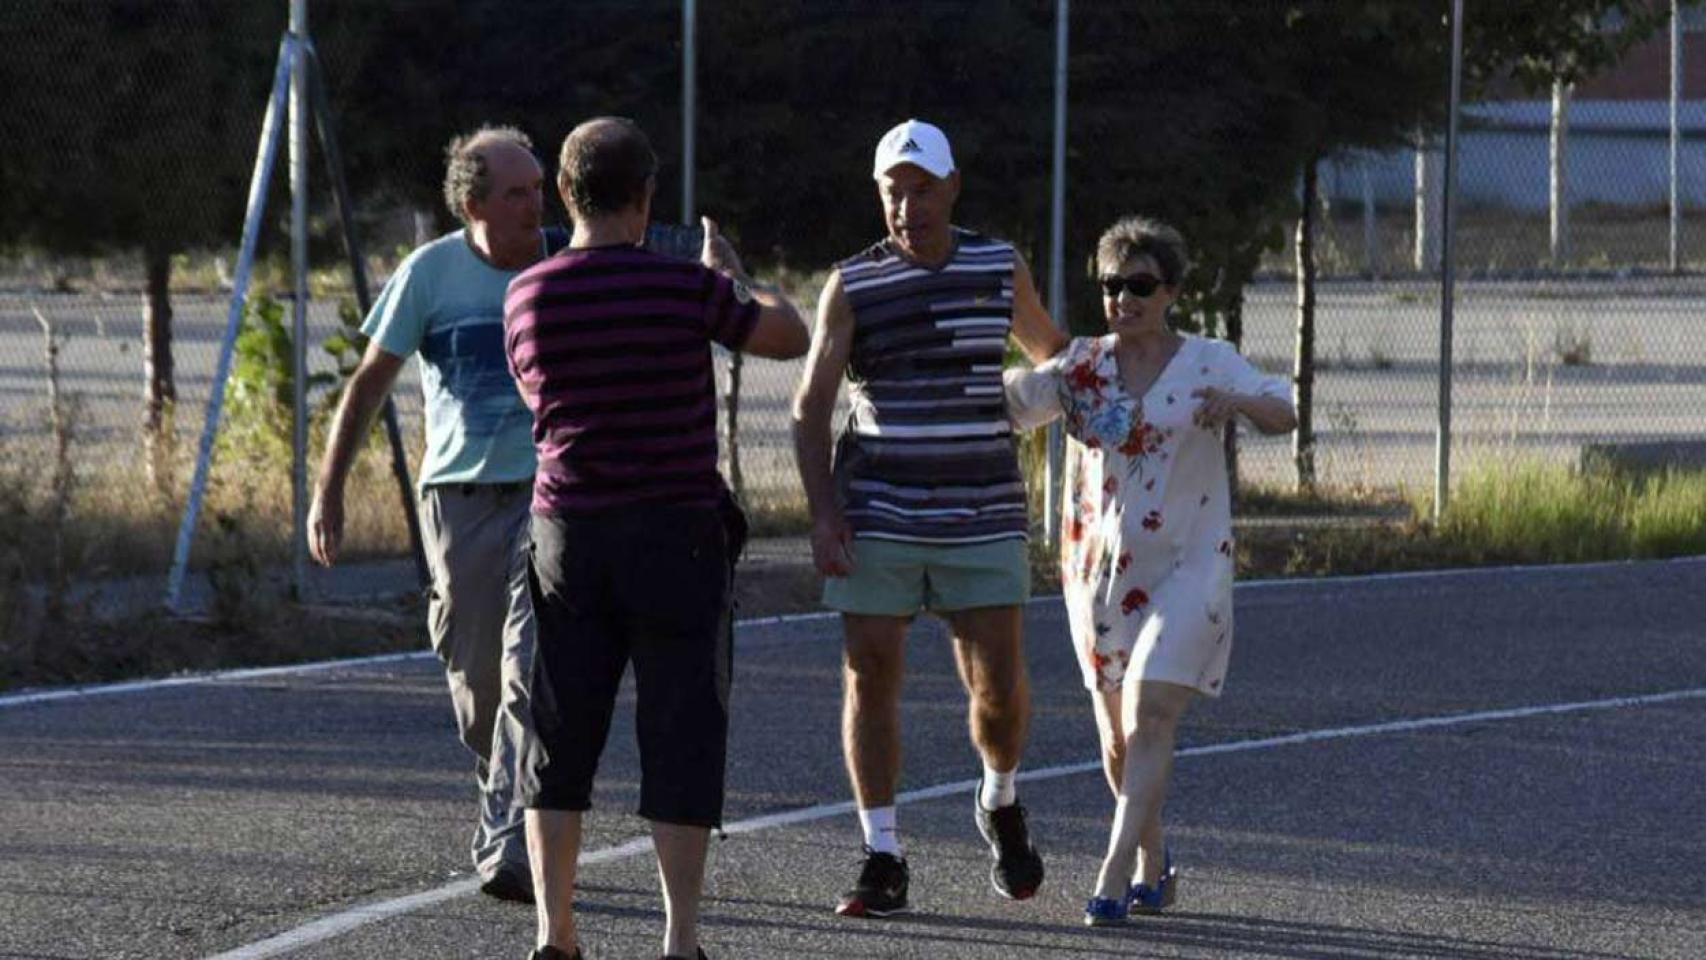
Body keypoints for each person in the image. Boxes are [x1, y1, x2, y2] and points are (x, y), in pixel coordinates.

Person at [506, 117, 808, 960]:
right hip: (677, 531)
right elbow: (790, 335)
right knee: (681, 728)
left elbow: (537, 397)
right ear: (646, 198)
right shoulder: (686, 289)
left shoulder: (527, 294)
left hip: (569, 530)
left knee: (559, 729)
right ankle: (679, 940)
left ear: (565, 194)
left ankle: (555, 932)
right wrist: (737, 279)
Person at [791, 118, 1068, 918]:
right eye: (892, 191)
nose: (907, 206)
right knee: (869, 674)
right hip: (879, 507)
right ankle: (882, 853)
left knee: (999, 688)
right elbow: (810, 411)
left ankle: (999, 797)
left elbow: (1052, 351)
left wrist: (1108, 387)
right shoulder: (854, 283)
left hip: (982, 508)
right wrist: (823, 515)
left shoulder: (996, 265)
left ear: (952, 187)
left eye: (921, 189)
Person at [1004, 216, 1297, 926]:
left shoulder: (1208, 360)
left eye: (1139, 285)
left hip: (1190, 568)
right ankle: (1153, 863)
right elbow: (1009, 405)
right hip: (1099, 576)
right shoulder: (1079, 365)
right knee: (1117, 740)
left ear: (1171, 291)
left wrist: (1241, 405)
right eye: (1111, 285)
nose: (1123, 299)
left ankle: (1109, 881)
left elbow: (1283, 410)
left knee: (1152, 712)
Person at [308, 126, 555, 905]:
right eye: (518, 193)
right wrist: (329, 489)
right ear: (474, 204)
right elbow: (370, 382)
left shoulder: (563, 262)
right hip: (459, 498)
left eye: (541, 189)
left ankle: (509, 838)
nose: (535, 205)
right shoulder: (431, 273)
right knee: (478, 676)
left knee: (529, 668)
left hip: (552, 496)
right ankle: (500, 782)